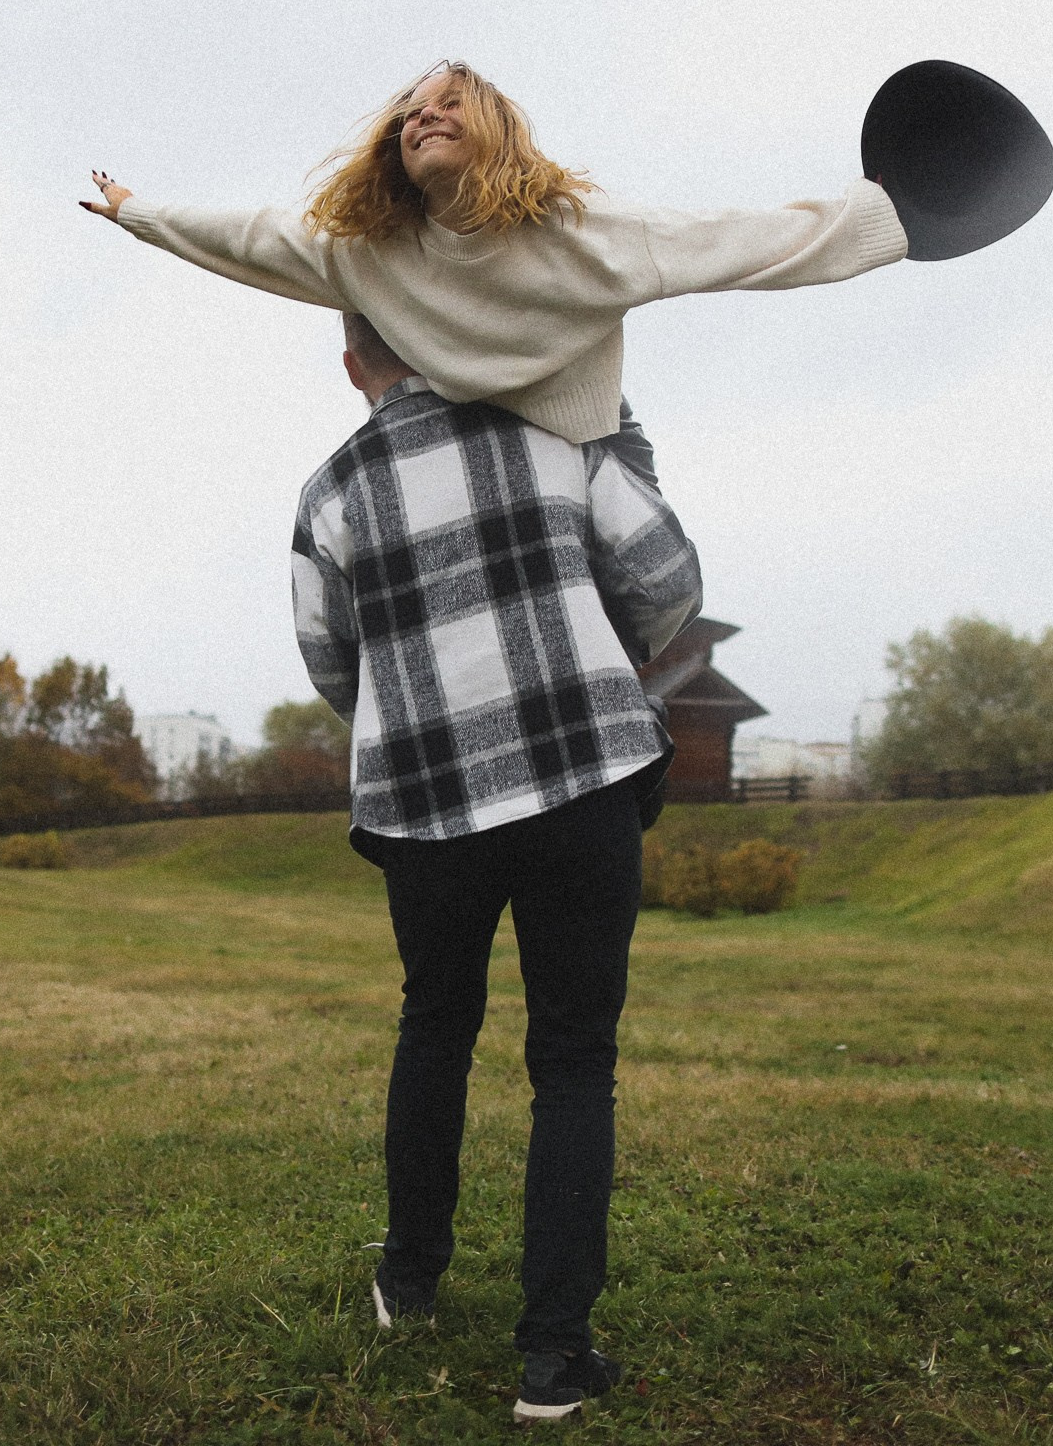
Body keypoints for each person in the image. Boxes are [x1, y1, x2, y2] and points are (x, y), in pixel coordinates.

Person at [293, 312, 703, 1423]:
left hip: (425, 805)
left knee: (436, 1025)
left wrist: (423, 701)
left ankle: (409, 1278)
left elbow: (332, 657)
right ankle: (552, 1359)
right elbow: (668, 579)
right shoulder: (553, 435)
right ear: (442, 317)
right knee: (575, 1055)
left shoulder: (329, 493)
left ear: (352, 364)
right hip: (580, 772)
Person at [82, 59, 906, 449]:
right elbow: (251, 236)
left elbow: (734, 241)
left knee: (645, 589)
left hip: (590, 450)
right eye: (410, 112)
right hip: (464, 447)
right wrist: (139, 212)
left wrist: (879, 214)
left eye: (449, 105)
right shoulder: (370, 254)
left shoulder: (577, 233)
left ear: (495, 134)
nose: (424, 117)